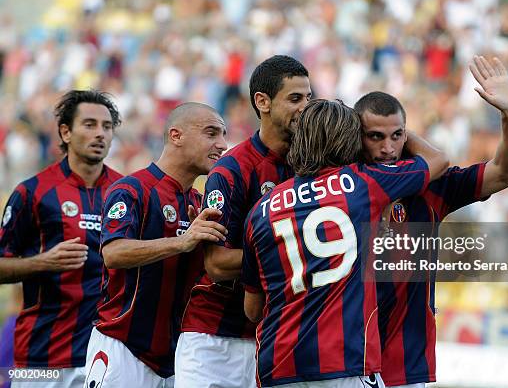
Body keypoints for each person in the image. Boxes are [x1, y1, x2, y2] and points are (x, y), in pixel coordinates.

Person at [241, 99, 449, 387]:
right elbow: (438, 160)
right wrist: (400, 131)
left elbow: (252, 309)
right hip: (345, 364)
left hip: (277, 367)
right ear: (350, 140)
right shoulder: (364, 184)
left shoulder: (261, 210)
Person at [355, 56, 508, 388]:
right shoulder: (341, 184)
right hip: (345, 364)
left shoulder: (431, 185)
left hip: (405, 369)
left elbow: (507, 172)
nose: (388, 148)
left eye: (397, 136)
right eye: (375, 137)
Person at [175, 55, 311, 388]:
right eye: (295, 99)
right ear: (262, 102)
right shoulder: (231, 170)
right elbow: (218, 263)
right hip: (214, 338)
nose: (305, 107)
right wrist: (296, 249)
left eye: (309, 98)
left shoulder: (312, 167)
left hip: (275, 337)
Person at [82, 102, 228, 388]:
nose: (222, 144)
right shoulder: (132, 189)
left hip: (177, 357)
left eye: (224, 135)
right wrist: (181, 242)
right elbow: (113, 253)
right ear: (176, 135)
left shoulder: (199, 203)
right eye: (211, 133)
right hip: (122, 348)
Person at [0, 90, 123, 388]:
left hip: (106, 356)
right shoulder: (32, 192)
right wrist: (43, 262)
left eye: (107, 127)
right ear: (66, 132)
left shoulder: (125, 192)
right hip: (39, 358)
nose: (100, 134)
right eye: (90, 124)